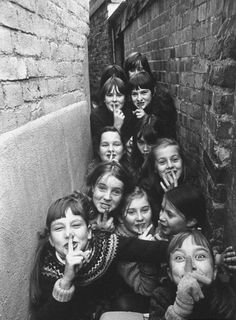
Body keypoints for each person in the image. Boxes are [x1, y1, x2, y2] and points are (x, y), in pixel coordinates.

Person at [29, 192, 169, 320]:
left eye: (76, 225)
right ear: (51, 240)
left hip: (110, 309)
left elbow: (147, 249)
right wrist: (66, 280)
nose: (68, 234)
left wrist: (183, 245)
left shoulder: (103, 244)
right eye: (59, 228)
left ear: (90, 233)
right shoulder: (49, 270)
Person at [149, 230, 236, 320]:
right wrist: (179, 308)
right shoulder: (161, 297)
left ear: (214, 272)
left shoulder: (226, 298)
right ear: (170, 274)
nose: (190, 266)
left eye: (200, 256)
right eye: (179, 258)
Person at [114, 187, 158, 312]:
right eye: (131, 212)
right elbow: (146, 290)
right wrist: (145, 252)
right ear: (120, 217)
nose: (140, 218)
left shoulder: (149, 227)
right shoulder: (122, 245)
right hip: (137, 296)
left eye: (145, 210)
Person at [140, 138, 200, 215]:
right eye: (162, 162)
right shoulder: (148, 191)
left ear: (182, 161)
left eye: (175, 160)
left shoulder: (192, 188)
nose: (170, 166)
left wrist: (175, 195)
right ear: (155, 168)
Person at [85, 161, 133, 231]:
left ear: (123, 195)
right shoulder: (80, 211)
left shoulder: (125, 219)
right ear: (93, 187)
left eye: (116, 192)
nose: (107, 197)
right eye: (102, 188)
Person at [127, 71, 177, 139]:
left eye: (143, 93)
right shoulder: (130, 108)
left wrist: (147, 118)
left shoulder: (163, 107)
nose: (139, 98)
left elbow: (166, 132)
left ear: (153, 91)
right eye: (134, 94)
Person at [90, 76, 134, 151]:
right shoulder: (96, 116)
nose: (114, 100)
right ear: (104, 98)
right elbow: (102, 147)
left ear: (125, 98)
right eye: (110, 95)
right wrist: (116, 126)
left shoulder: (130, 113)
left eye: (119, 95)